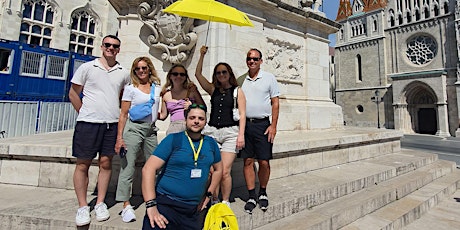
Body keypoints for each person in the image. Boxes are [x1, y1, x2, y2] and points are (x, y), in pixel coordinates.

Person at [69, 35, 130, 226]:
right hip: (88, 123)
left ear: (119, 49)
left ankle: (101, 202)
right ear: (102, 46)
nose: (111, 48)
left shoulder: (123, 72)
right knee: (82, 164)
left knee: (105, 163)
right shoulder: (88, 67)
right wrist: (84, 112)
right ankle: (82, 206)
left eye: (115, 46)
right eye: (108, 45)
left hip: (110, 124)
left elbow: (123, 98)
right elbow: (73, 93)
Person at [141, 104, 223, 230]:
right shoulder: (173, 140)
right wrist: (151, 206)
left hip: (192, 211)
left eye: (201, 119)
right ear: (185, 120)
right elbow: (148, 169)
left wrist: (209, 194)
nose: (196, 121)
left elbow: (218, 169)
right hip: (166, 205)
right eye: (192, 118)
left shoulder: (211, 143)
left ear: (205, 122)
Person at [195, 45, 246, 206]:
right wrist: (201, 55)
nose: (221, 74)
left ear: (229, 73)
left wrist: (241, 135)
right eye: (218, 72)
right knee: (212, 170)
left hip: (231, 133)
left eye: (224, 72)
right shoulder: (212, 89)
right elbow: (197, 75)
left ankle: (225, 201)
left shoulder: (238, 91)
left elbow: (243, 114)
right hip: (212, 132)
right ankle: (214, 199)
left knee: (224, 171)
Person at [114, 57, 162, 223]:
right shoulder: (130, 89)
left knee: (155, 165)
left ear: (149, 69)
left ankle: (153, 198)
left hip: (151, 129)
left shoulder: (157, 88)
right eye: (137, 69)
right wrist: (119, 138)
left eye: (144, 68)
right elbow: (123, 114)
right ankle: (126, 204)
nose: (141, 71)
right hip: (134, 128)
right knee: (128, 165)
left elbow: (160, 111)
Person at [237, 48, 280, 213]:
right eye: (249, 58)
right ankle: (251, 195)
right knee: (247, 161)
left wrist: (273, 126)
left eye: (255, 59)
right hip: (245, 125)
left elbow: (275, 103)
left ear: (261, 61)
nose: (252, 61)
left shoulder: (269, 78)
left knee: (264, 161)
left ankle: (262, 191)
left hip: (263, 125)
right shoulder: (241, 80)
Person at [158, 64, 205, 135]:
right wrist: (150, 112)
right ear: (170, 76)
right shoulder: (166, 94)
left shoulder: (192, 91)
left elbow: (203, 108)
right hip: (174, 126)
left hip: (190, 124)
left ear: (186, 77)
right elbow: (163, 116)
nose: (178, 76)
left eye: (182, 74)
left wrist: (192, 106)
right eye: (175, 74)